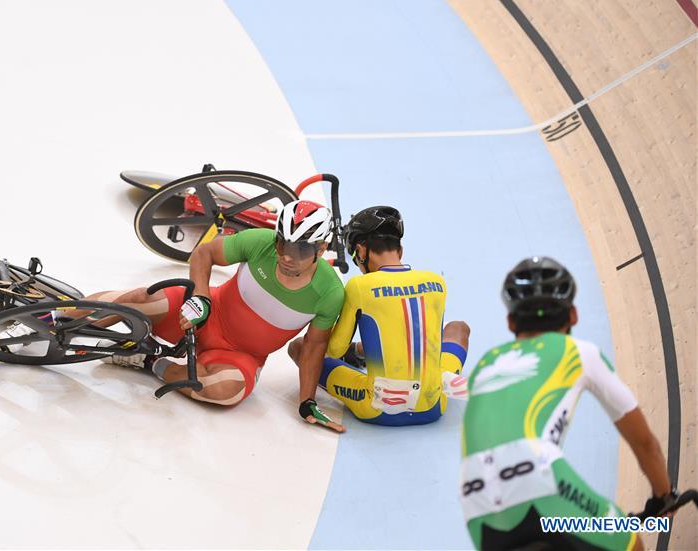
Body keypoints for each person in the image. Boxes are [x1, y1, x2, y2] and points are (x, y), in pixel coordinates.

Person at [12, 200, 346, 430]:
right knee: (145, 298)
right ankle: (54, 318)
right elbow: (204, 253)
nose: (287, 256)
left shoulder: (329, 293)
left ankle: (147, 361)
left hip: (237, 355)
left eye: (300, 250)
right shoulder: (260, 243)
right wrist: (201, 296)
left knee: (226, 392)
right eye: (282, 244)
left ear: (321, 248)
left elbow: (314, 347)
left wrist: (306, 402)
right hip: (203, 314)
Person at [460, 256, 675, 550]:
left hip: (476, 500)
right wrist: (664, 496)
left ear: (510, 322)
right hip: (539, 478)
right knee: (629, 542)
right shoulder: (580, 352)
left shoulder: (485, 364)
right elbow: (645, 443)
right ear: (573, 316)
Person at [288, 206, 470, 426]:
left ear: (362, 251)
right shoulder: (437, 283)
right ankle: (443, 379)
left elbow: (334, 350)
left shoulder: (360, 286)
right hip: (433, 407)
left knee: (299, 347)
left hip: (377, 408)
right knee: (458, 327)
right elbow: (432, 343)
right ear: (400, 250)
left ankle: (361, 357)